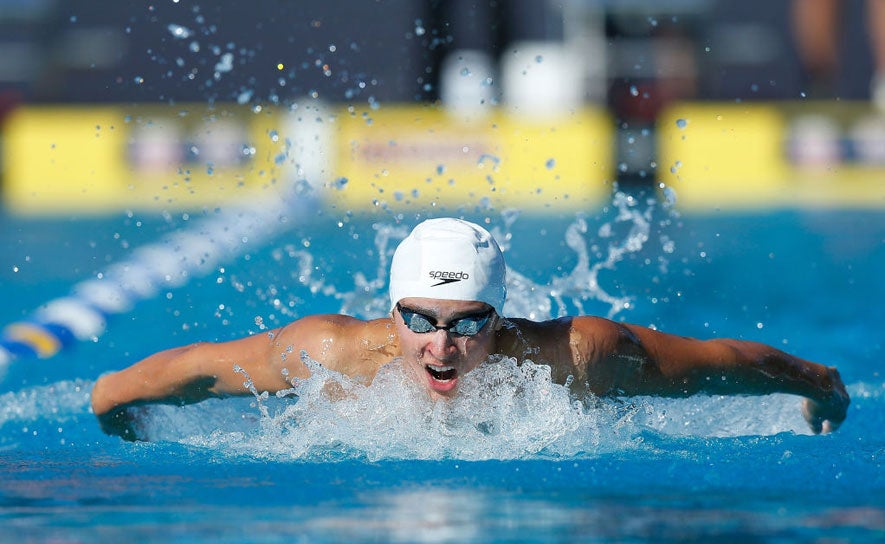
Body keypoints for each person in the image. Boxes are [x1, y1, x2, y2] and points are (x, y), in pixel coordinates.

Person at [91, 218, 850, 440]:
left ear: (501, 317)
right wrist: (112, 401)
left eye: (467, 324)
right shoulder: (331, 354)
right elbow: (197, 368)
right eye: (419, 319)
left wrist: (819, 383)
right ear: (392, 313)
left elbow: (720, 361)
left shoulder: (575, 356)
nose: (442, 346)